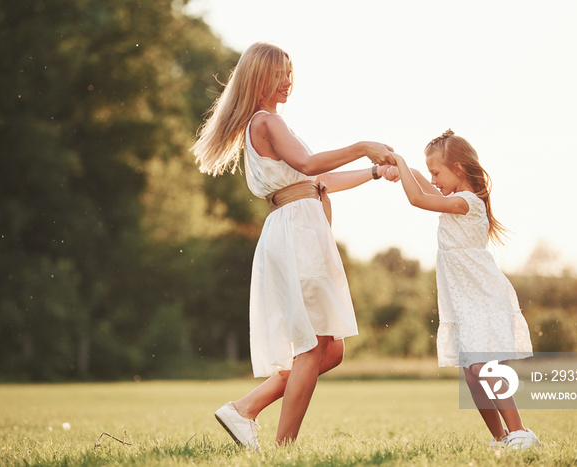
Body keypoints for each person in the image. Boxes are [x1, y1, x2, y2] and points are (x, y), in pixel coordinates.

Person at [192, 41, 397, 449]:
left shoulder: (269, 125)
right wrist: (363, 145)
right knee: (313, 344)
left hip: (300, 226)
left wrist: (373, 171)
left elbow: (316, 182)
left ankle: (244, 410)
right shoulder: (267, 122)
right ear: (258, 78)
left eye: (290, 73)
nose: (288, 82)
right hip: (296, 232)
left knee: (330, 349)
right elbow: (309, 165)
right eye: (279, 74)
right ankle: (284, 448)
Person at [388, 129, 541, 449]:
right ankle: (500, 438)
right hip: (463, 299)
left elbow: (417, 197)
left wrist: (400, 162)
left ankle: (521, 433)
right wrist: (400, 168)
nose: (433, 180)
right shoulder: (453, 197)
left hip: (481, 296)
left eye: (436, 172)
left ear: (458, 168)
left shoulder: (466, 202)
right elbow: (418, 182)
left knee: (481, 365)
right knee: (471, 373)